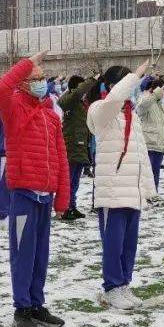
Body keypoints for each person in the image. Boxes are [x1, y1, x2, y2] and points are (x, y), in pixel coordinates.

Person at [0, 51, 70, 327]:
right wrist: (28, 62)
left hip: (45, 196)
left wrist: (62, 197)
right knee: (22, 254)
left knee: (40, 254)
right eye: (35, 79)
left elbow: (61, 157)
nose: (42, 83)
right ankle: (21, 307)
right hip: (24, 194)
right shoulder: (13, 109)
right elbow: (2, 87)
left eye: (43, 78)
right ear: (23, 84)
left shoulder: (51, 115)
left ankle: (37, 304)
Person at [87, 63, 154, 308]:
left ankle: (124, 284)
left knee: (128, 244)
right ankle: (112, 287)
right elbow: (114, 99)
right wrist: (135, 75)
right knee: (113, 244)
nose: (135, 89)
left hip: (132, 191)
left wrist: (146, 189)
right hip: (113, 190)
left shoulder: (131, 114)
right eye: (131, 84)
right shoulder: (100, 109)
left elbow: (141, 153)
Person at [59, 72, 98, 220]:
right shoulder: (69, 100)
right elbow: (75, 95)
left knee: (75, 180)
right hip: (72, 144)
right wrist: (91, 80)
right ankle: (65, 208)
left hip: (81, 145)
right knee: (69, 180)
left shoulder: (80, 101)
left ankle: (72, 206)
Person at [135, 74, 164, 190]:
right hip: (149, 143)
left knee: (155, 170)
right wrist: (153, 93)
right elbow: (141, 107)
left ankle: (154, 191)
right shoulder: (144, 98)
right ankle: (147, 192)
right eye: (161, 89)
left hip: (158, 143)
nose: (163, 92)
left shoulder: (159, 102)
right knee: (148, 172)